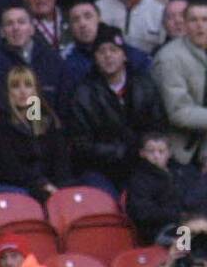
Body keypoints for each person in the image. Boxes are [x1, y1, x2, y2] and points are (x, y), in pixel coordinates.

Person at [68, 25, 168, 191]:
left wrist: (145, 151)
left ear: (124, 56)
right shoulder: (83, 93)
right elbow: (81, 144)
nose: (108, 56)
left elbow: (159, 126)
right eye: (101, 51)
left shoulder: (144, 85)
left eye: (113, 50)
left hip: (143, 162)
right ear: (95, 58)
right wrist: (123, 152)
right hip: (100, 169)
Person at [151, 0, 207, 171]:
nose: (200, 26)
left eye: (205, 20)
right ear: (185, 24)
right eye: (193, 20)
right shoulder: (168, 58)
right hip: (173, 153)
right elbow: (177, 112)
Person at [0, 65, 73, 201]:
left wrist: (59, 187)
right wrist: (42, 184)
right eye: (16, 86)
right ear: (8, 92)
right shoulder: (0, 123)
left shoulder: (48, 120)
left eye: (28, 85)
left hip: (52, 186)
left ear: (35, 90)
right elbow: (9, 167)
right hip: (20, 187)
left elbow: (60, 161)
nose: (22, 92)